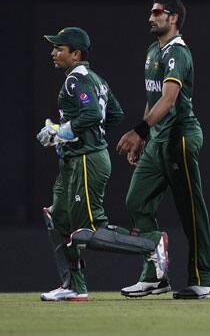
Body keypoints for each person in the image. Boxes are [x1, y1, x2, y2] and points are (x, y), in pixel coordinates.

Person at [37, 27, 168, 302]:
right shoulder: (97, 80)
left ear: (76, 54)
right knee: (58, 218)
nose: (53, 52)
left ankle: (151, 244)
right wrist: (84, 135)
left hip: (86, 160)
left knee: (88, 231)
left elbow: (93, 113)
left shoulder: (76, 79)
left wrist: (60, 132)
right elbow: (114, 113)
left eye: (59, 48)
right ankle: (74, 285)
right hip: (76, 159)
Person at [116, 0, 210, 299]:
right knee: (136, 202)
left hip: (181, 137)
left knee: (190, 210)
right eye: (150, 11)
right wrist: (144, 137)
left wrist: (138, 131)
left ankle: (205, 279)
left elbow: (170, 99)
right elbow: (154, 101)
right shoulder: (153, 50)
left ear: (173, 18)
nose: (151, 16)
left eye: (158, 12)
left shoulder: (177, 53)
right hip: (157, 138)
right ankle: (154, 276)